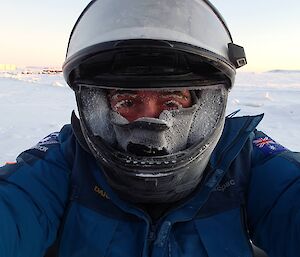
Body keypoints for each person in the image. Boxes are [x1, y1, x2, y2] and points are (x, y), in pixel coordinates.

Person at [0, 0, 299, 257]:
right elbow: (14, 202)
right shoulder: (68, 158)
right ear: (99, 109)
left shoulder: (241, 156)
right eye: (127, 100)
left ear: (204, 105)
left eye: (171, 101)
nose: (152, 121)